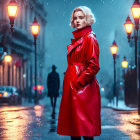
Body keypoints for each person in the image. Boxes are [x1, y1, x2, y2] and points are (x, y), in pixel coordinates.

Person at [57, 6, 101, 140]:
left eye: (81, 18)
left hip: (84, 90)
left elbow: (93, 66)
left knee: (85, 131)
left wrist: (77, 83)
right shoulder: (79, 39)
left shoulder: (90, 38)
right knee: (74, 130)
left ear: (87, 19)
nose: (77, 21)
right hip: (74, 89)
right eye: (75, 18)